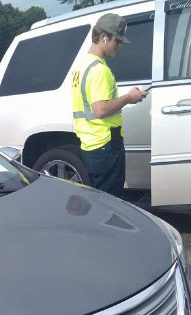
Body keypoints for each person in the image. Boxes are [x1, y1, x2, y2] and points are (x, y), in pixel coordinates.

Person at [72, 13, 147, 198]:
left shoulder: (81, 66)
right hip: (106, 145)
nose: (119, 46)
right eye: (117, 40)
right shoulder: (99, 70)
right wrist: (129, 97)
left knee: (100, 200)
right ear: (104, 36)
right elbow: (100, 109)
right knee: (110, 204)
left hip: (91, 145)